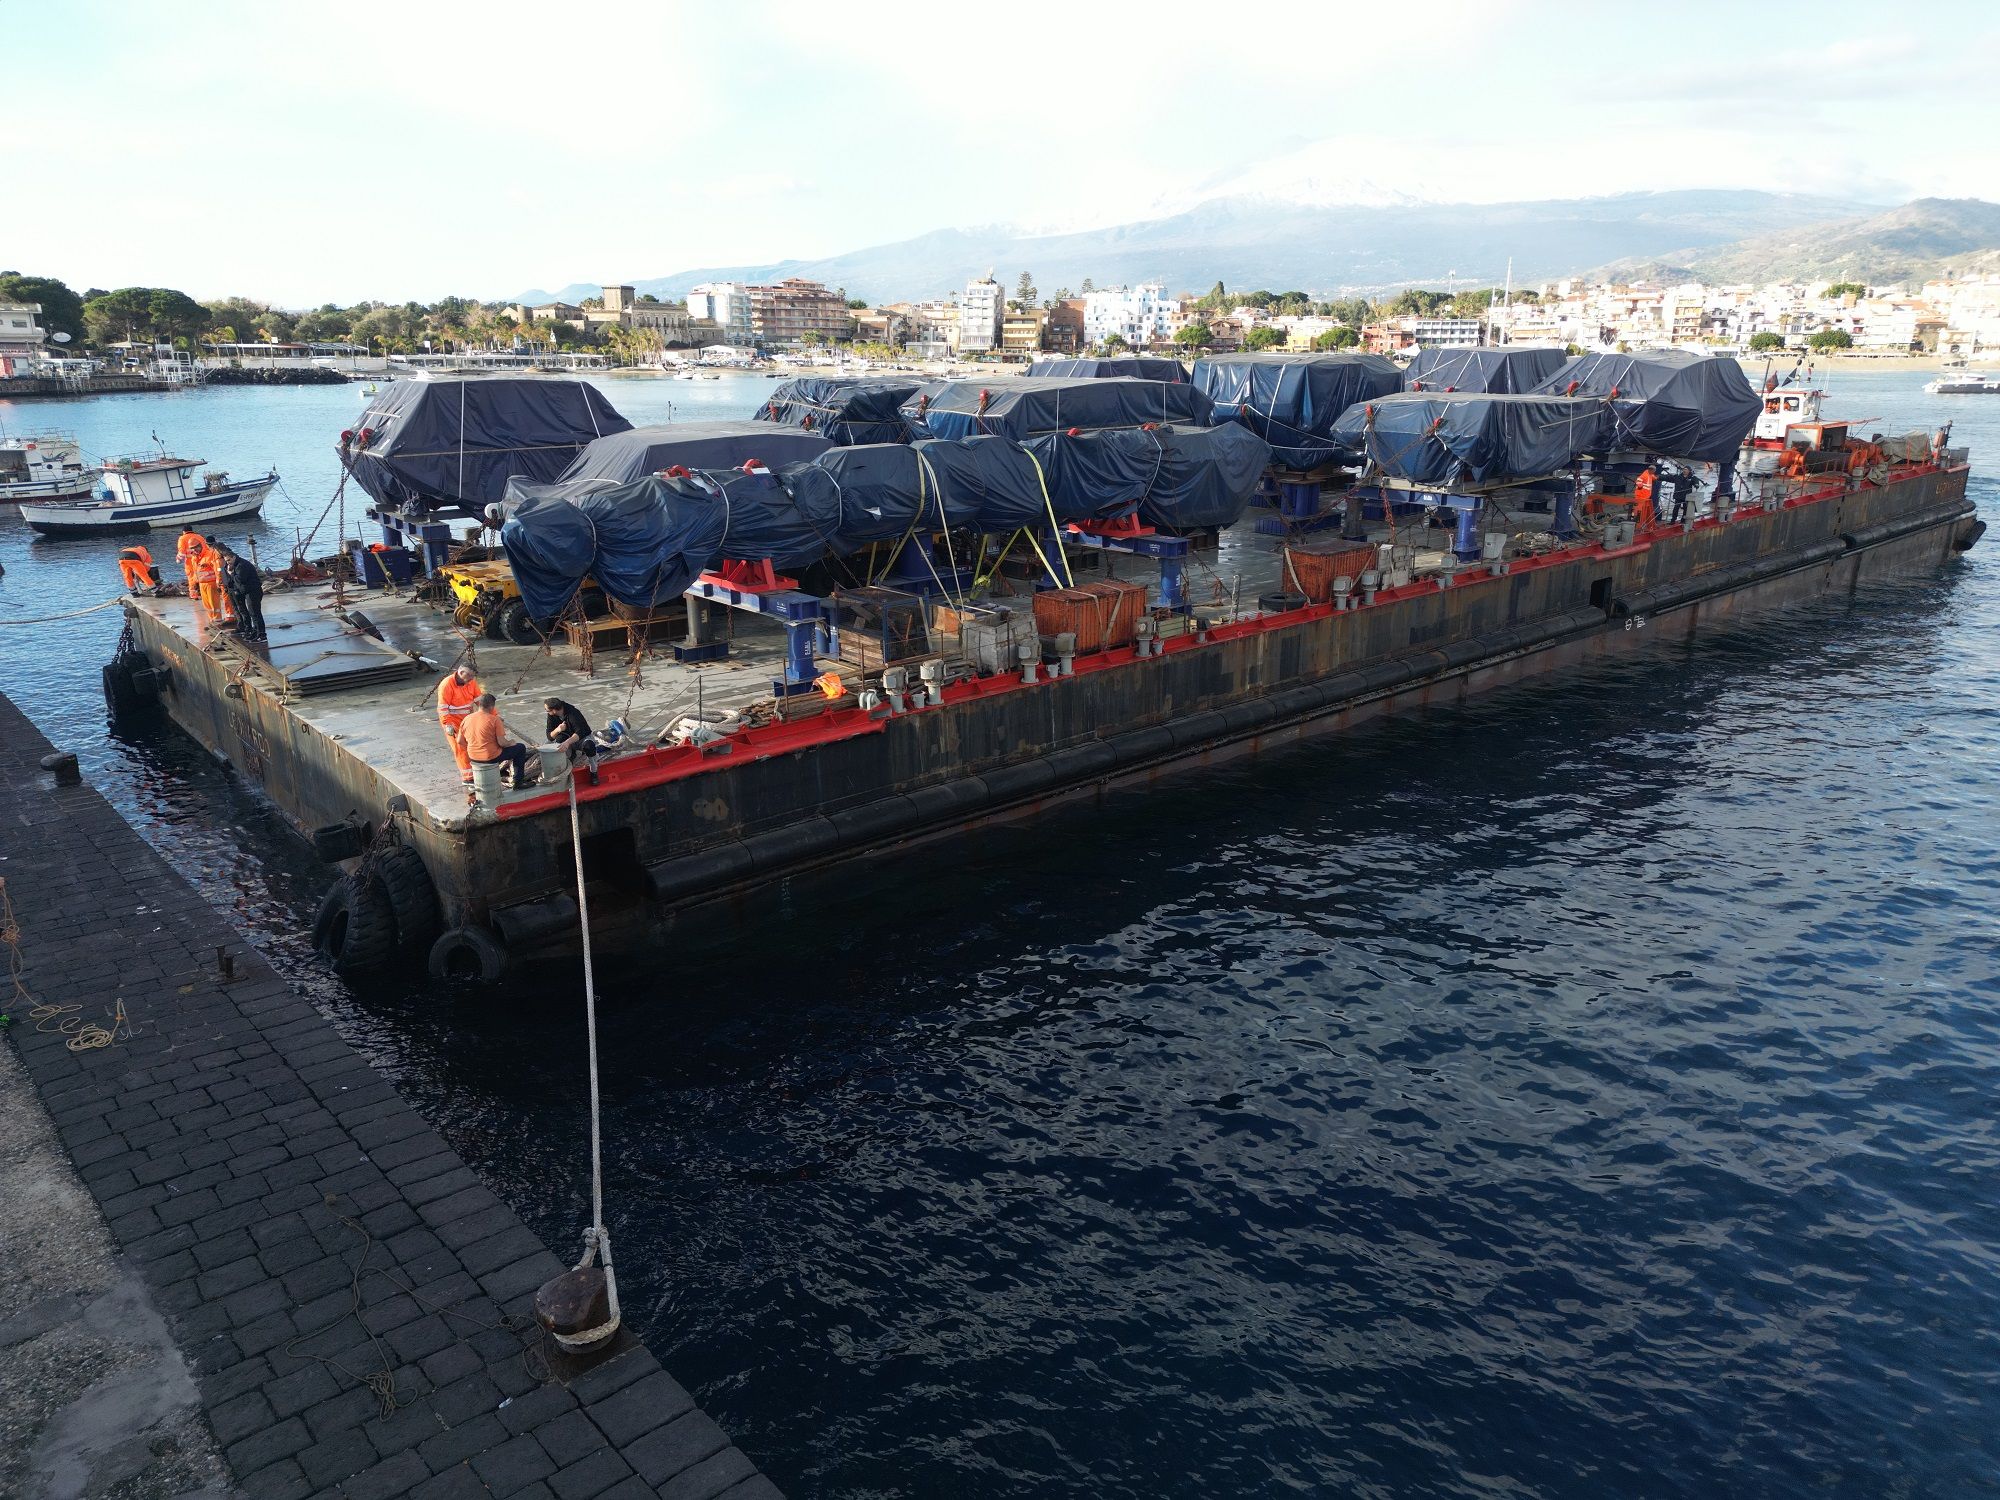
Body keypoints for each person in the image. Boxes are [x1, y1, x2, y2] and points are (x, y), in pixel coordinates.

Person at [461, 693, 531, 787]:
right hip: (490, 757)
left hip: (472, 756)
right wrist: (511, 742)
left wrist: (476, 747)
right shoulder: (494, 720)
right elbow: (502, 743)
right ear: (491, 707)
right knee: (520, 748)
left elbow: (460, 741)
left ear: (479, 704)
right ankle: (518, 782)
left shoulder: (467, 718)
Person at [436, 664, 481, 784]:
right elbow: (443, 708)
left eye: (473, 676)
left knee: (474, 745)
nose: (471, 679)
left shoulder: (471, 682)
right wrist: (448, 724)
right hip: (453, 722)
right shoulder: (446, 684)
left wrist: (493, 714)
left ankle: (477, 772)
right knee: (460, 748)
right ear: (461, 673)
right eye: (469, 676)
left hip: (467, 720)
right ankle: (468, 777)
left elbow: (480, 701)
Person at [545, 696, 603, 782]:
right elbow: (549, 736)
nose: (546, 712)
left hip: (581, 738)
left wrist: (567, 742)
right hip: (566, 738)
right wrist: (558, 730)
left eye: (547, 710)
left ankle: (593, 771)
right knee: (559, 739)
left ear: (554, 710)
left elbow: (579, 733)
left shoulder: (573, 713)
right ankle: (569, 758)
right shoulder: (551, 715)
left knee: (589, 746)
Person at [225, 546, 267, 641]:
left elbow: (240, 579)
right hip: (248, 591)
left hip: (253, 591)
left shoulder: (241, 565)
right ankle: (255, 632)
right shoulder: (235, 564)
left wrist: (231, 573)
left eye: (229, 560)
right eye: (226, 561)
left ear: (234, 557)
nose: (228, 563)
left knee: (255, 613)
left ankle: (261, 634)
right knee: (252, 613)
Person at [194, 536, 231, 621]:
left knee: (226, 597)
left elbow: (219, 568)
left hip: (222, 579)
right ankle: (227, 616)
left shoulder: (216, 554)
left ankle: (230, 617)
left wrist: (219, 581)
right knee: (226, 598)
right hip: (222, 578)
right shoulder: (216, 553)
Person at [176, 526, 205, 597]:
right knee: (202, 576)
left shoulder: (182, 538)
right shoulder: (199, 537)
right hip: (202, 560)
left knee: (191, 578)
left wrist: (178, 560)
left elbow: (181, 552)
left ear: (183, 532)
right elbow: (205, 548)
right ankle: (203, 593)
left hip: (190, 562)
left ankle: (194, 595)